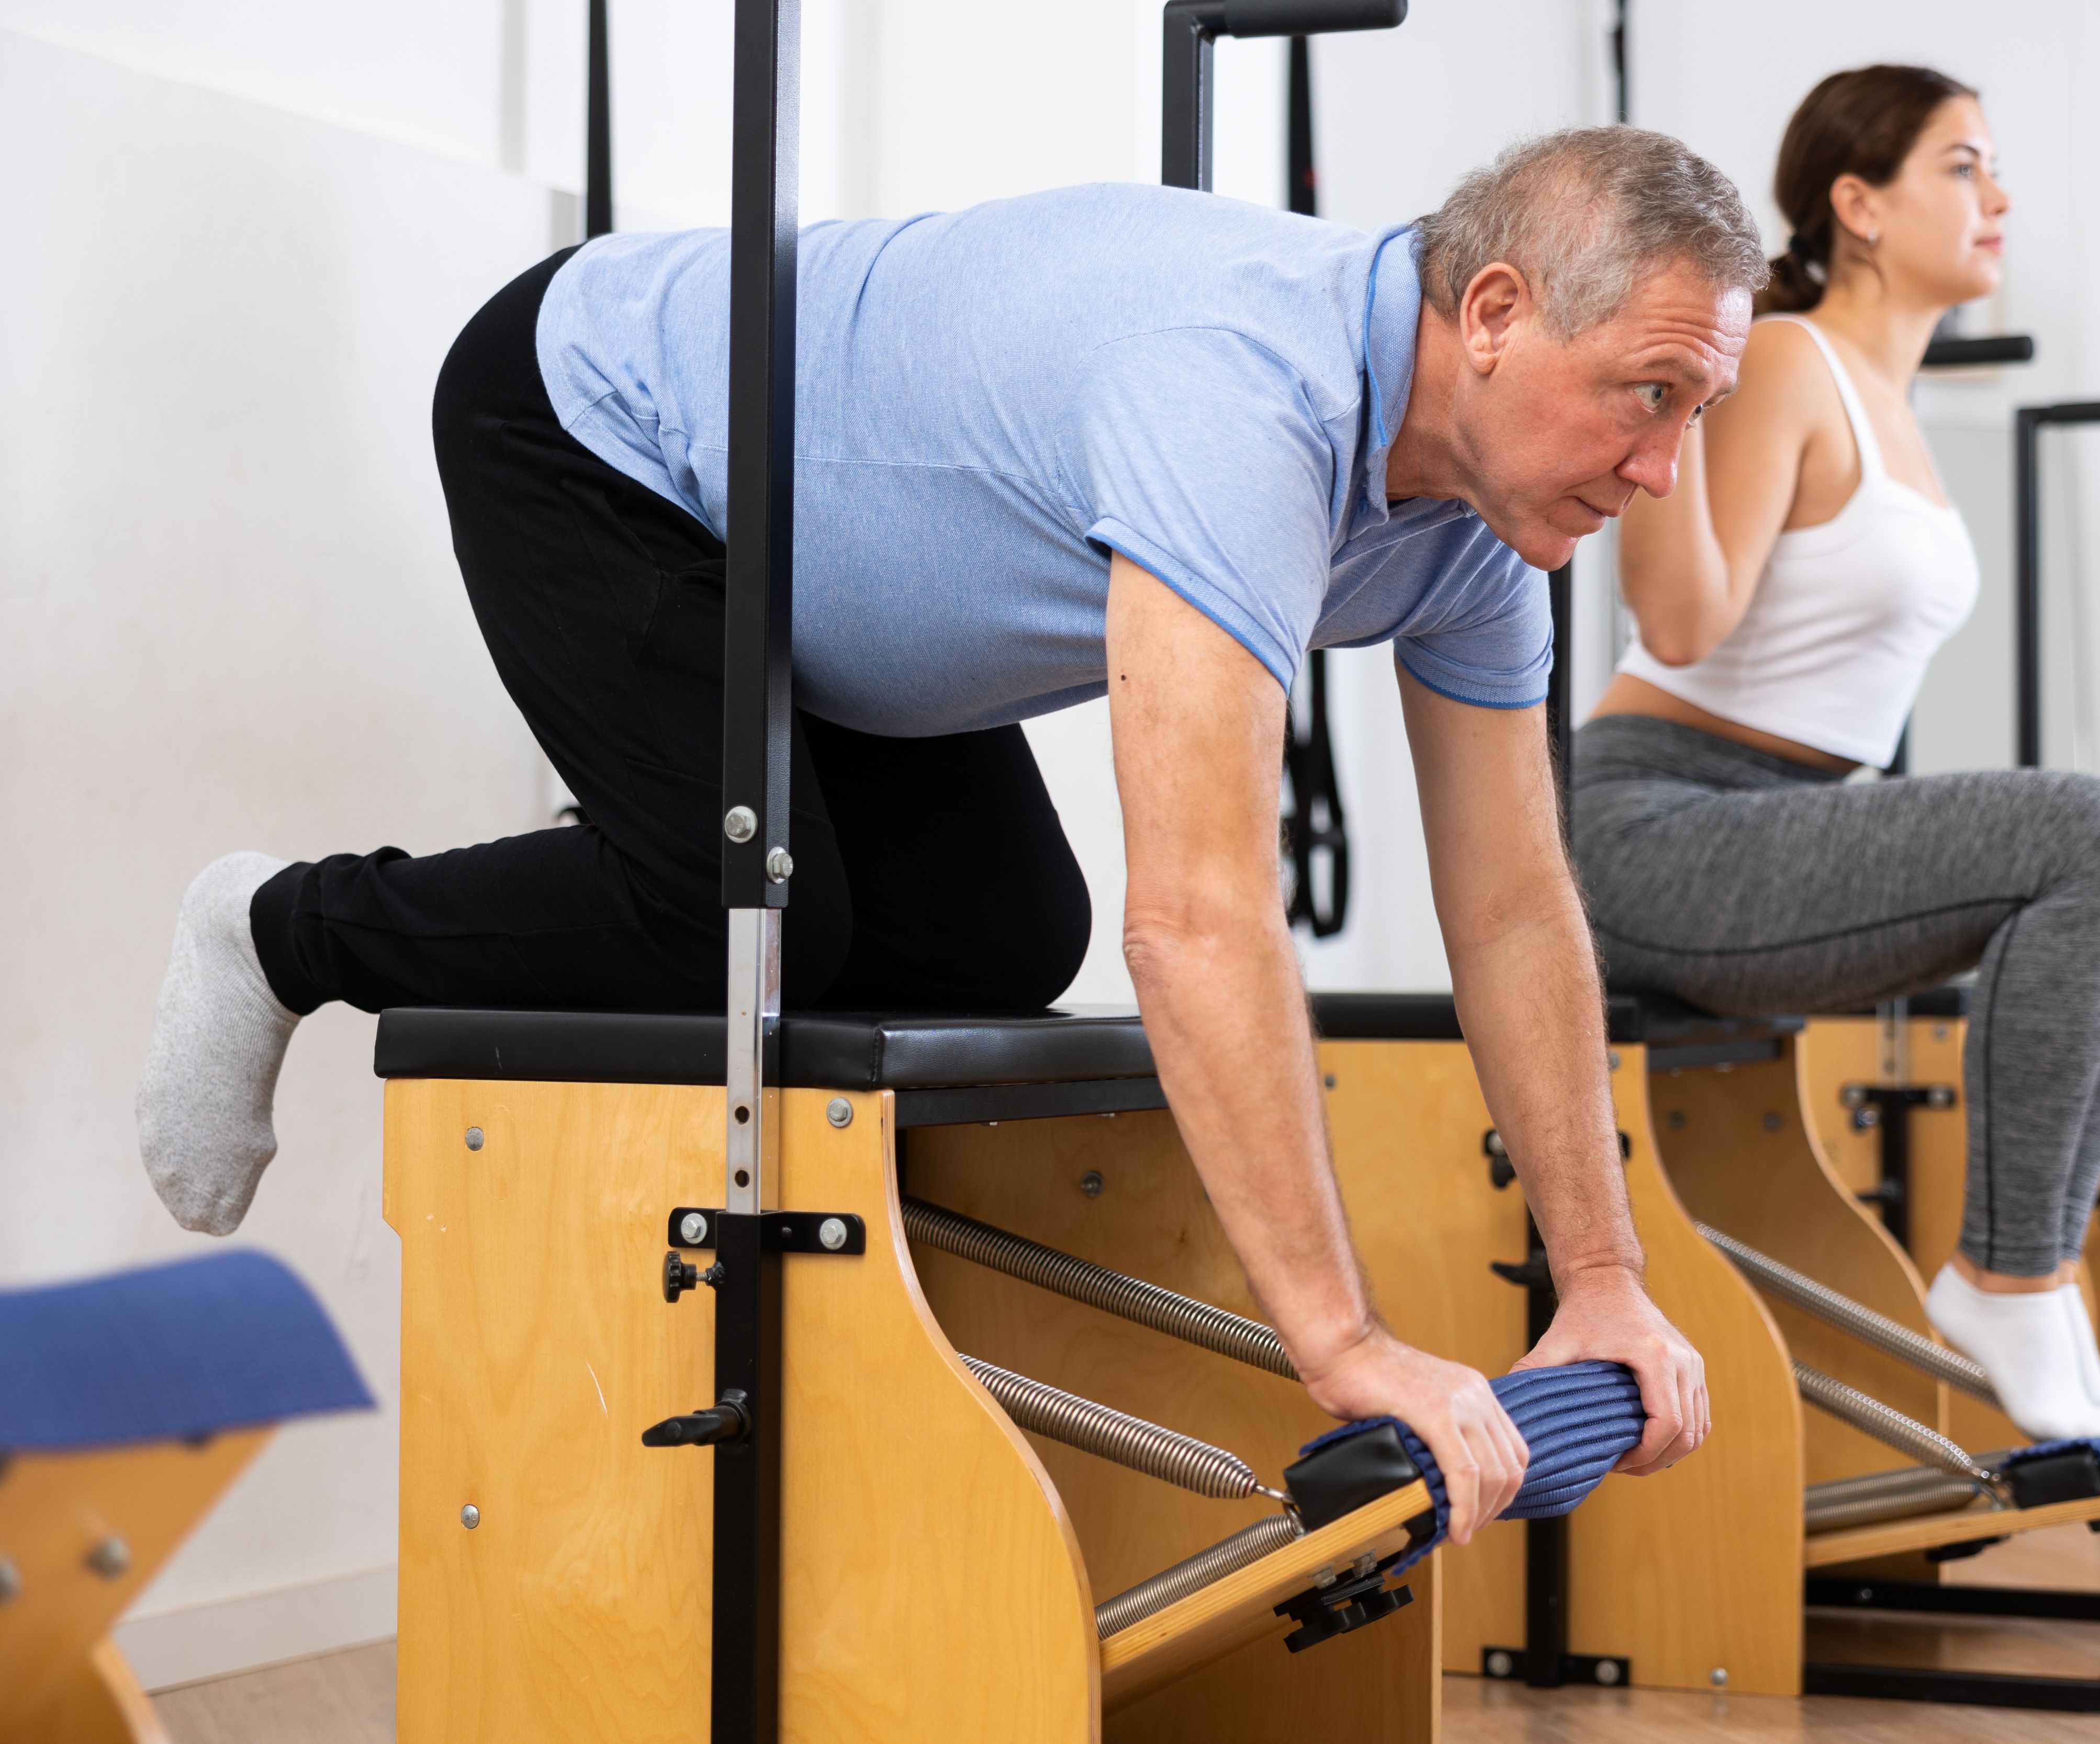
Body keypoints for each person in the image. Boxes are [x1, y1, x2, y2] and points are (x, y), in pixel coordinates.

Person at [133, 128, 1767, 1533]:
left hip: (825, 581)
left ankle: (663, 836)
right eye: (1651, 394)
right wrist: (1341, 1345)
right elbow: (1197, 917)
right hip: (599, 425)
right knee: (740, 917)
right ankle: (278, 927)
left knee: (998, 934)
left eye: (1699, 411)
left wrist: (1602, 1274)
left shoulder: (1483, 521)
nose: (1661, 467)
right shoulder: (1240, 397)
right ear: (1492, 313)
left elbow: (1512, 907)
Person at [1582, 65, 2100, 1442]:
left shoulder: (1886, 398)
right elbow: (1679, 620)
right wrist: (1658, 398)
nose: (2001, 197)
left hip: (1775, 824)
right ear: (1857, 204)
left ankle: (2033, 1273)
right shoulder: (1785, 360)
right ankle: (2008, 1276)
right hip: (1655, 828)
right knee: (2094, 831)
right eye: (1963, 166)